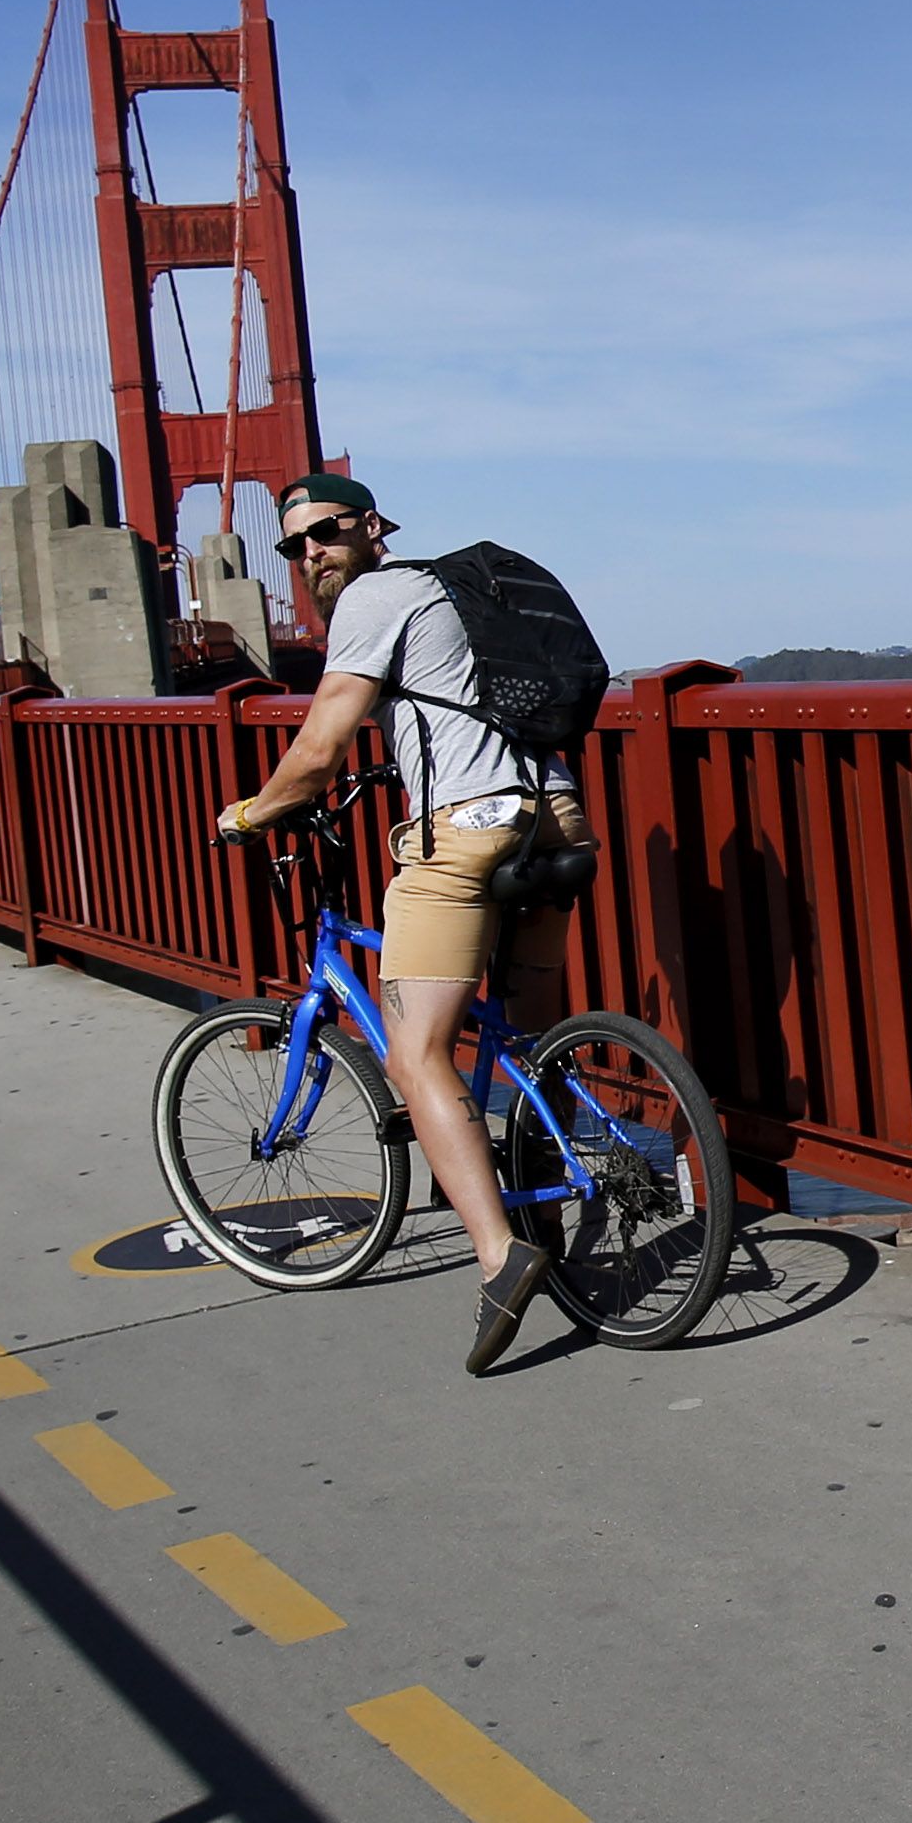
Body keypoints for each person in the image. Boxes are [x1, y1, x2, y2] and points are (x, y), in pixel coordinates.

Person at [217, 474, 598, 1370]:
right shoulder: (456, 594)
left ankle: (504, 1256)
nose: (312, 552)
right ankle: (563, 1189)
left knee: (415, 1049)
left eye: (327, 531)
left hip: (467, 830)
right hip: (559, 814)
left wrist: (251, 812)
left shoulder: (377, 596)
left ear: (372, 527)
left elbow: (316, 753)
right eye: (294, 543)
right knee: (531, 1035)